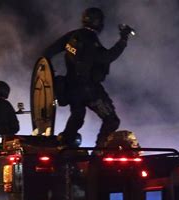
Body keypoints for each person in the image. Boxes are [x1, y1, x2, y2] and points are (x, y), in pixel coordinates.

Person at [43, 7, 133, 147]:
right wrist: (123, 39)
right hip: (90, 90)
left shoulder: (72, 36)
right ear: (99, 23)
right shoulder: (91, 41)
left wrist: (47, 73)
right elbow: (108, 57)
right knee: (111, 120)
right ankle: (99, 151)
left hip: (72, 89)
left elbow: (48, 52)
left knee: (77, 118)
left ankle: (64, 146)